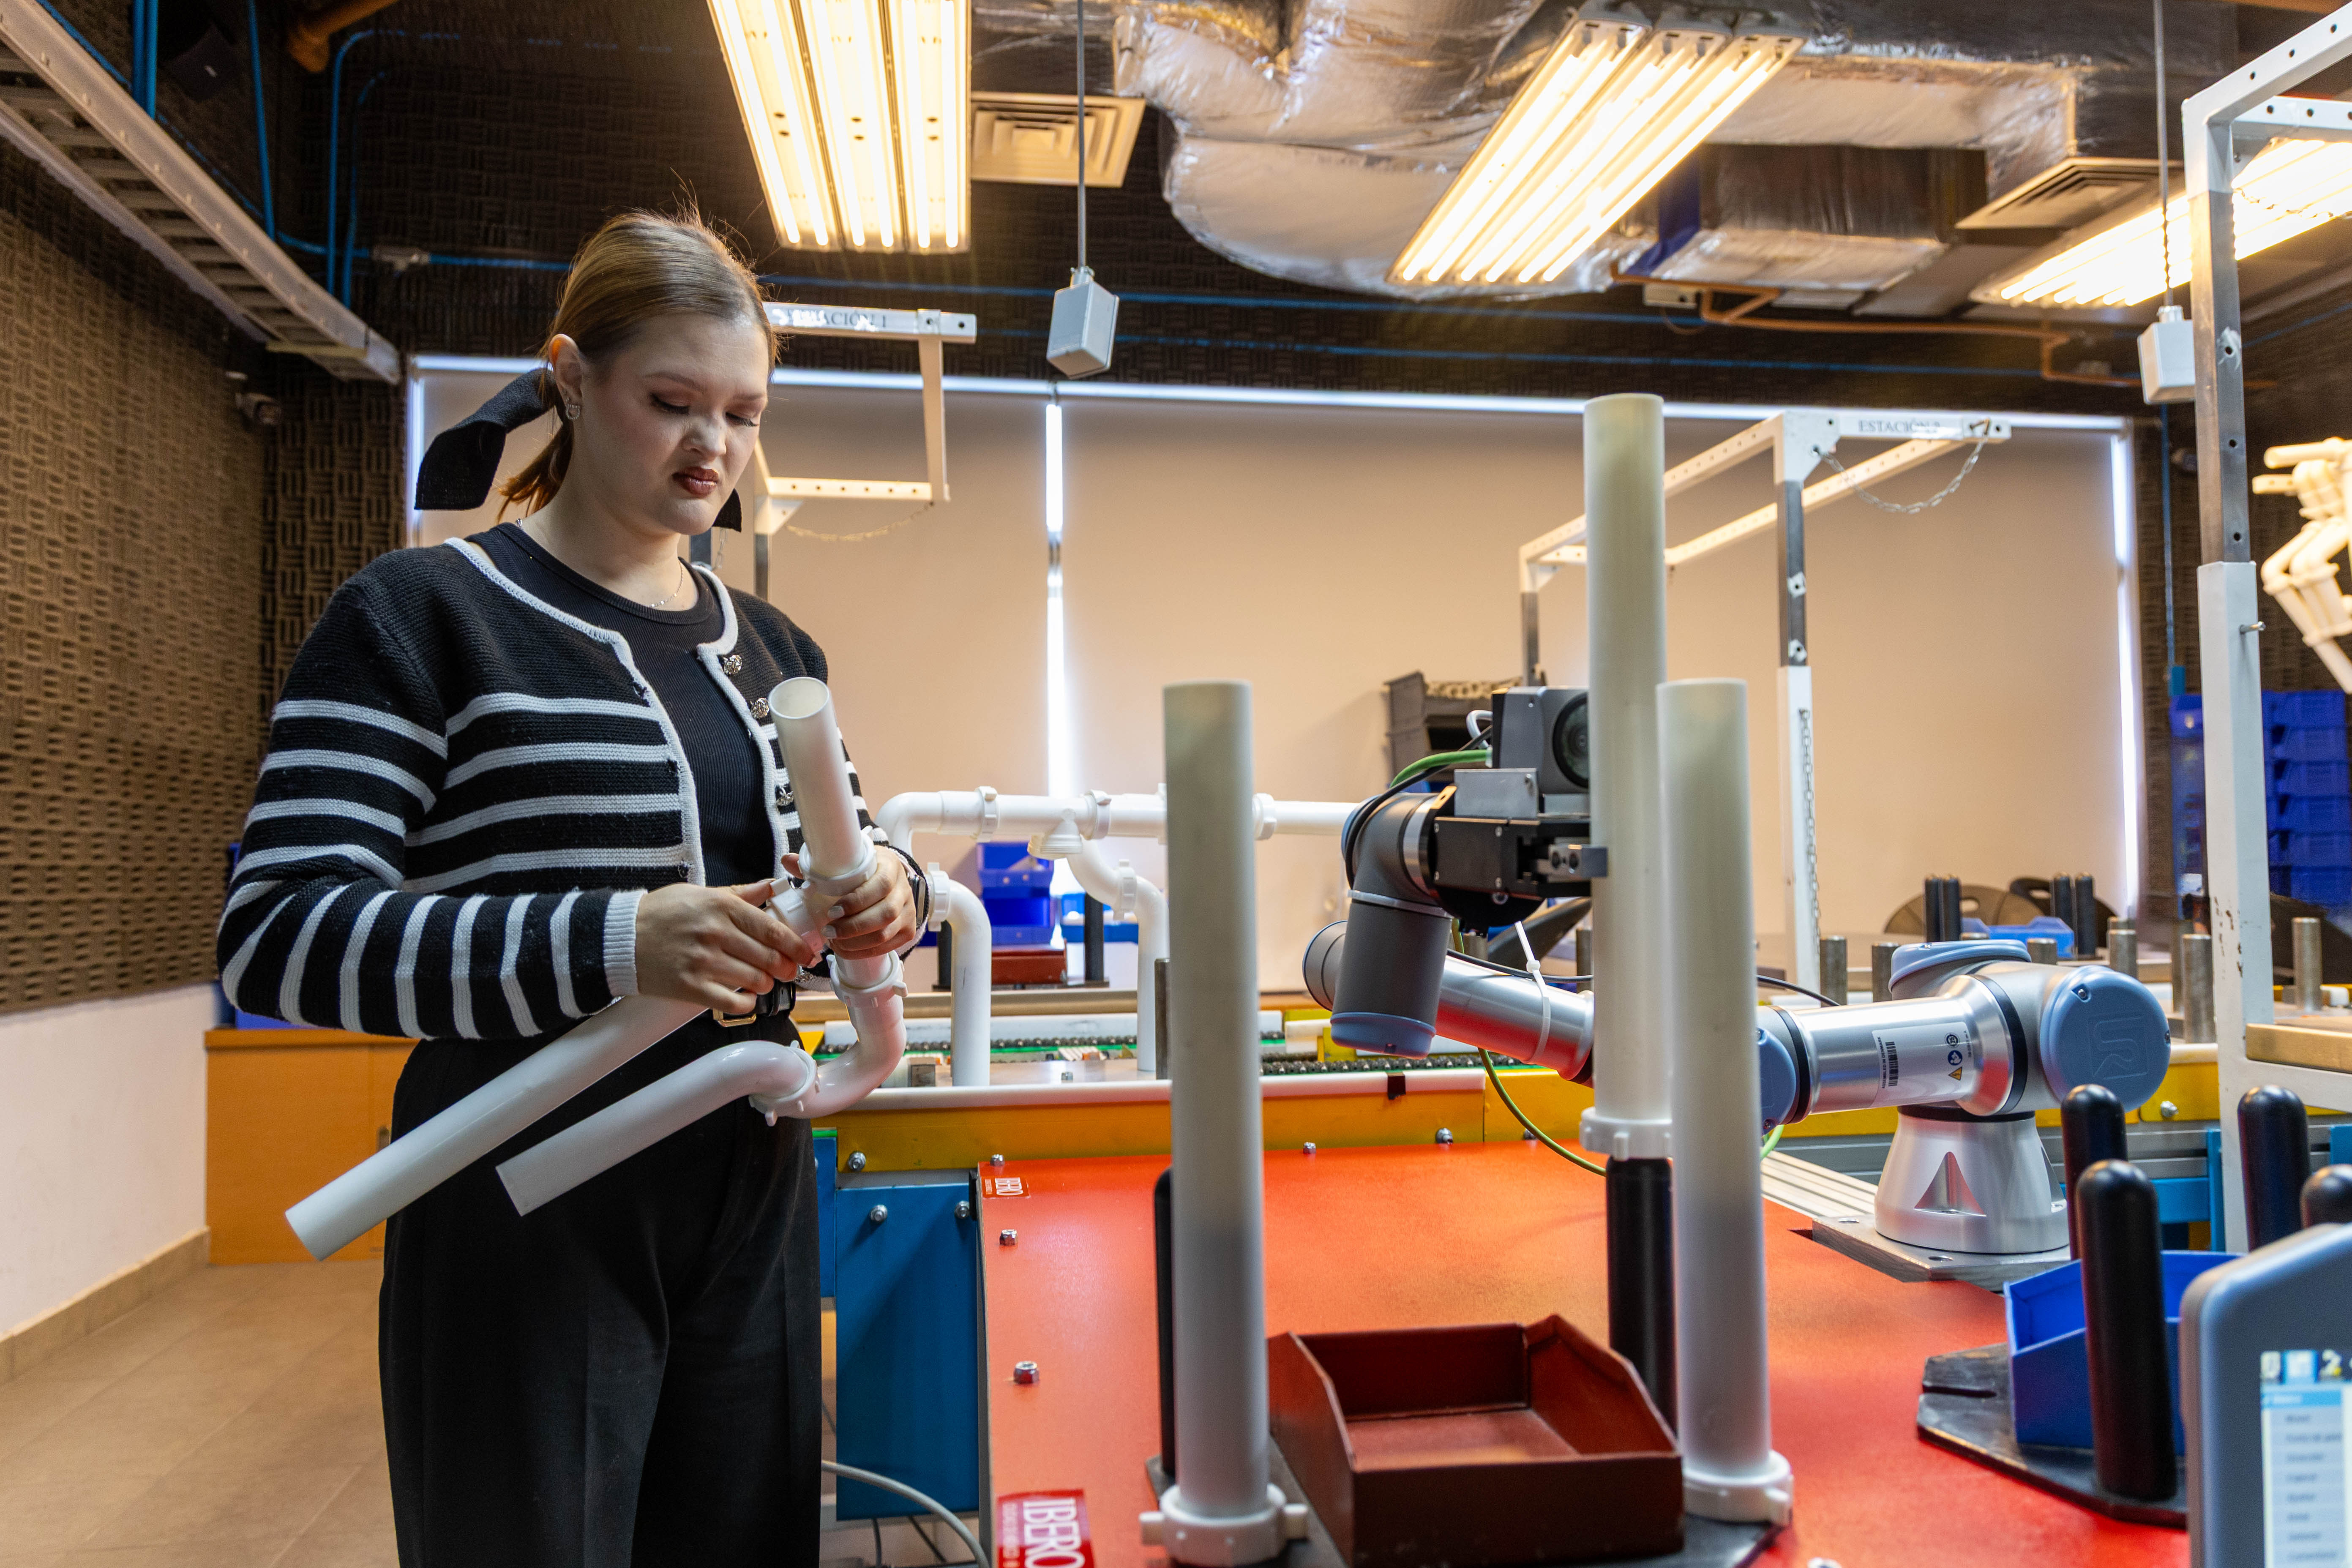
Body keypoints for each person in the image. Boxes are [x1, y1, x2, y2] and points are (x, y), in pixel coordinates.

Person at [217, 209, 923, 1567]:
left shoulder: (774, 648)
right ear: (571, 378)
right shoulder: (422, 615)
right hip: (520, 1180)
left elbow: (845, 850)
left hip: (748, 1165)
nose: (713, 446)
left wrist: (888, 890)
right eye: (672, 402)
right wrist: (611, 940)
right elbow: (280, 932)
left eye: (743, 414)